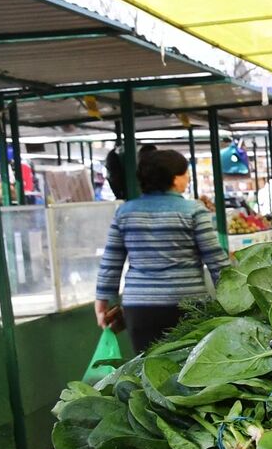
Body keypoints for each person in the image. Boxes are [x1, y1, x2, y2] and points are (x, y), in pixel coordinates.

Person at [94, 147, 230, 353]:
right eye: (185, 174)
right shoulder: (193, 211)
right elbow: (216, 260)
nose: (187, 178)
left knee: (146, 369)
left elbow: (111, 262)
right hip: (187, 305)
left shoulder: (125, 213)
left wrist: (102, 301)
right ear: (175, 179)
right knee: (187, 370)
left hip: (140, 307)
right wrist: (231, 296)